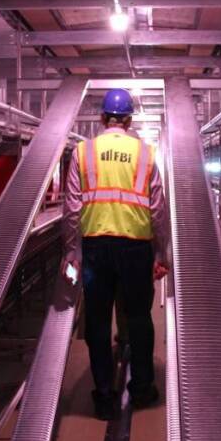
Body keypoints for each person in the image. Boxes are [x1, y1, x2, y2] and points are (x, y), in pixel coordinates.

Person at [62, 87, 169, 420]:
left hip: (95, 247)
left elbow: (71, 209)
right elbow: (158, 211)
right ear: (130, 120)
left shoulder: (83, 152)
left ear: (102, 118)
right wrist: (161, 252)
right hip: (136, 246)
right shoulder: (146, 154)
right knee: (138, 317)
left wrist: (72, 250)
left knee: (97, 320)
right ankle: (141, 389)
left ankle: (105, 396)